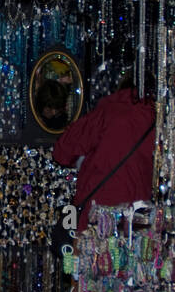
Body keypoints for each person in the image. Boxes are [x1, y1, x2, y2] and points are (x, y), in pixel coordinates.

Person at [51, 72, 156, 228]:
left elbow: (63, 151)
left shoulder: (108, 111)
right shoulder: (156, 118)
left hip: (99, 209)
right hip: (137, 213)